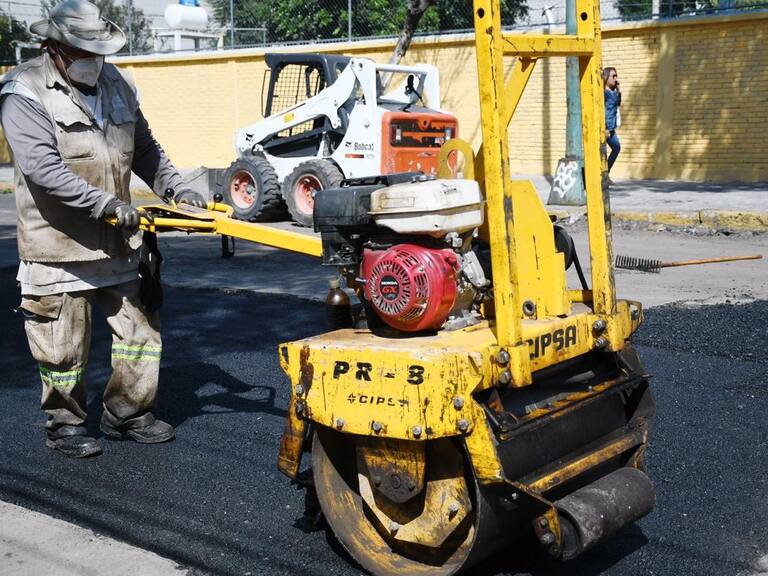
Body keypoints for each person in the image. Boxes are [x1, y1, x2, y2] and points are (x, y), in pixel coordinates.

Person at [0, 0, 207, 458]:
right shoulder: (24, 91)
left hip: (117, 241)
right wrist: (106, 204)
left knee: (140, 333)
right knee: (61, 347)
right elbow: (42, 169)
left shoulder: (119, 84)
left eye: (98, 51)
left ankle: (129, 411)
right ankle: (65, 423)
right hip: (56, 246)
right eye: (82, 52)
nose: (93, 60)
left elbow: (145, 147)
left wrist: (177, 189)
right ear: (52, 48)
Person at [603, 66, 621, 185]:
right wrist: (605, 128)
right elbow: (603, 111)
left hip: (611, 128)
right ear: (606, 77)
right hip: (605, 128)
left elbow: (618, 104)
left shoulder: (612, 92)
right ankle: (601, 177)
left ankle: (605, 175)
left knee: (616, 148)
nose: (615, 79)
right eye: (613, 76)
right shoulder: (604, 93)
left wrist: (618, 91)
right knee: (601, 153)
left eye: (616, 76)